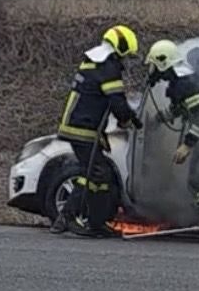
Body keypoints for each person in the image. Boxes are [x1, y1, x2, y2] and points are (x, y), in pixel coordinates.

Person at [54, 24, 143, 237]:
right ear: (120, 47)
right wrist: (131, 120)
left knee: (100, 175)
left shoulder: (91, 63)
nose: (125, 61)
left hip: (82, 126)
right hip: (82, 129)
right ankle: (67, 217)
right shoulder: (108, 67)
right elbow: (117, 102)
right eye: (126, 55)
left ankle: (97, 222)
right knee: (93, 173)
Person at [146, 39, 199, 237]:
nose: (152, 70)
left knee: (198, 176)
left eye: (153, 65)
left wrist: (187, 145)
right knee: (194, 178)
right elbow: (180, 108)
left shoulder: (185, 83)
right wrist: (158, 120)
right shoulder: (182, 80)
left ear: (162, 62)